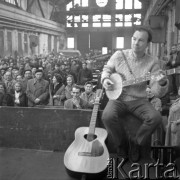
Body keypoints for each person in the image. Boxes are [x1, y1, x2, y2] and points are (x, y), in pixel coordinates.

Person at [101, 26, 169, 162]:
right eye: (134, 38)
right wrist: (105, 79)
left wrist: (162, 83)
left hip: (139, 100)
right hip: (118, 99)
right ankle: (121, 146)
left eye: (141, 40)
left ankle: (136, 143)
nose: (136, 43)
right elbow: (107, 69)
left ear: (147, 44)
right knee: (107, 116)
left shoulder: (152, 61)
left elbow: (156, 91)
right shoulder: (119, 55)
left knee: (155, 118)